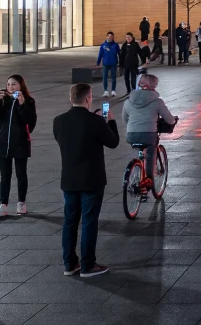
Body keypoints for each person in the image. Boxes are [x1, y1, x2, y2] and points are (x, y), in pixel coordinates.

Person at [54, 83, 120, 278]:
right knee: (89, 222)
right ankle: (88, 265)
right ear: (89, 98)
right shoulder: (95, 121)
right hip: (92, 179)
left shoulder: (59, 121)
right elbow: (113, 142)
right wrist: (110, 122)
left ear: (71, 98)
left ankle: (69, 263)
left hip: (69, 180)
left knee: (70, 222)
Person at [0, 75, 36, 217]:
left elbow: (30, 122)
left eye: (14, 84)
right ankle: (3, 204)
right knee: (5, 175)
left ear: (21, 85)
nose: (10, 87)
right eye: (8, 85)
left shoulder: (28, 101)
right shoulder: (4, 100)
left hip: (20, 142)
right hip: (3, 143)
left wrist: (22, 105)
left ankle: (21, 202)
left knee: (21, 174)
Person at [122, 73, 177, 186]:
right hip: (149, 134)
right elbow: (169, 119)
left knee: (140, 151)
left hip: (131, 134)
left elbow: (125, 118)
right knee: (151, 152)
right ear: (154, 86)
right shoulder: (157, 102)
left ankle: (137, 173)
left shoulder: (129, 100)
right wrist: (173, 121)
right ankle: (149, 179)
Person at [95, 32, 120, 98]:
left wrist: (121, 62)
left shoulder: (115, 45)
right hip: (105, 64)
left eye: (111, 36)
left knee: (113, 77)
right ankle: (106, 91)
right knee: (104, 77)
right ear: (107, 37)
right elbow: (100, 54)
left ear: (113, 37)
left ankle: (113, 90)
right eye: (109, 36)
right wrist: (98, 62)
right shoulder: (103, 45)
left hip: (113, 64)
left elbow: (120, 53)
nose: (110, 37)